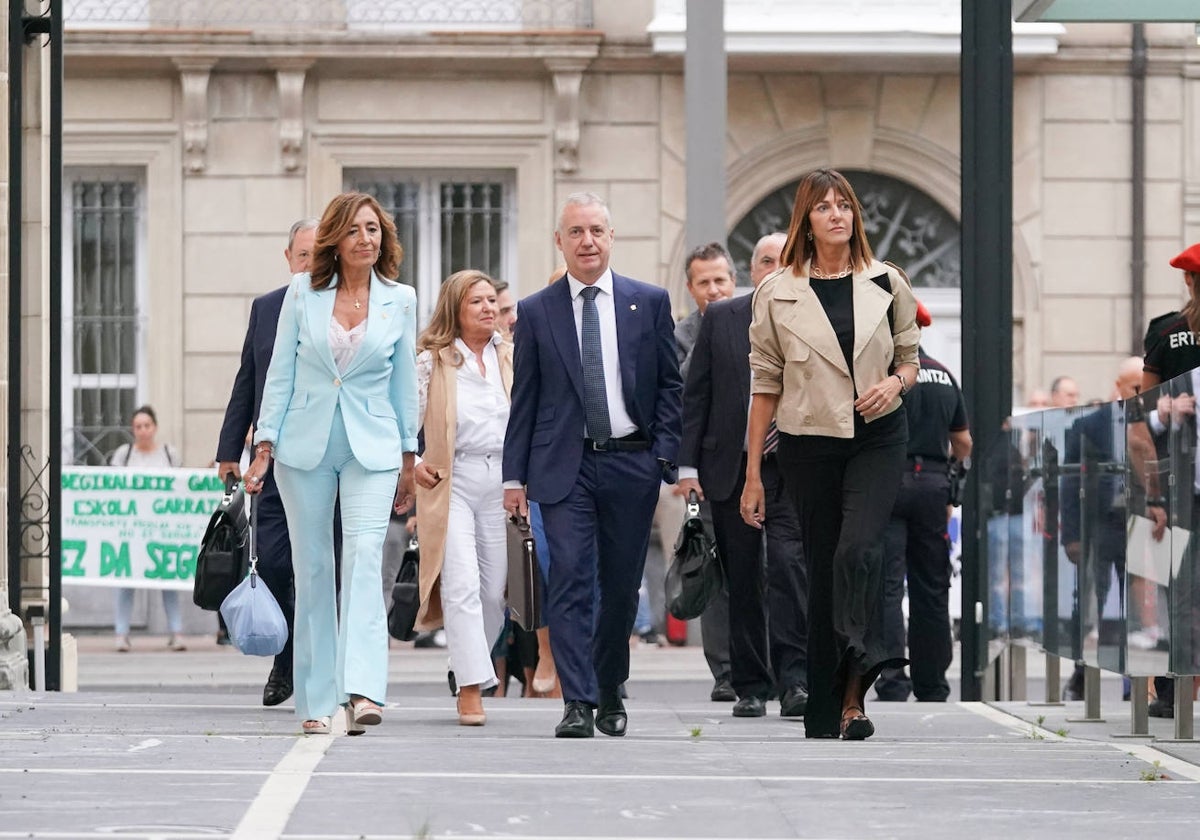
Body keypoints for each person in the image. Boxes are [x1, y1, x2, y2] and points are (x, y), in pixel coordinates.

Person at [741, 168, 919, 740]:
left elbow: (910, 360)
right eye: (824, 207)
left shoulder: (889, 282)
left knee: (859, 553)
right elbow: (764, 384)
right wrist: (751, 476)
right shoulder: (776, 292)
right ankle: (828, 701)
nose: (837, 213)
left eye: (845, 204)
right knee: (821, 570)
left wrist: (894, 385)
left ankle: (854, 697)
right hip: (807, 442)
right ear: (806, 221)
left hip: (877, 436)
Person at [502, 192, 682, 738]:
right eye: (576, 232)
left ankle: (610, 688)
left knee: (621, 586)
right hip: (564, 467)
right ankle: (576, 702)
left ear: (610, 237)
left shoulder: (647, 301)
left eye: (597, 231)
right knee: (572, 578)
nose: (587, 241)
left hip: (632, 464)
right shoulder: (536, 310)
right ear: (560, 241)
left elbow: (669, 385)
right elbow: (525, 400)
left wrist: (664, 456)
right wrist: (514, 478)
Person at [243, 192, 419, 736]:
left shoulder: (402, 299)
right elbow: (279, 374)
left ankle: (363, 689)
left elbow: (403, 384)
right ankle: (317, 701)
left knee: (364, 557)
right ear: (335, 243)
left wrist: (410, 457)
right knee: (314, 569)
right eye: (354, 230)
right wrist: (264, 446)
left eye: (373, 229)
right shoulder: (303, 293)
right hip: (303, 446)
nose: (365, 238)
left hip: (374, 447)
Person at [678, 233, 809, 719]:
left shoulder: (808, 315)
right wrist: (687, 466)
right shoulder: (723, 318)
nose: (776, 268)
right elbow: (698, 396)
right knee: (743, 577)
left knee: (790, 573)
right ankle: (751, 685)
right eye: (767, 261)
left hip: (790, 468)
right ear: (752, 272)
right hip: (730, 469)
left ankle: (795, 680)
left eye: (786, 261)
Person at [214, 218, 317, 707]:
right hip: (269, 463)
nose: (311, 265)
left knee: (320, 566)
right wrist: (227, 451)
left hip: (325, 461)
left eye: (320, 256)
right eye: (304, 256)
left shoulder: (342, 308)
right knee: (273, 562)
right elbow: (247, 380)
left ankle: (317, 666)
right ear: (288, 258)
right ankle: (287, 656)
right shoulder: (267, 307)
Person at [412, 270, 511, 726]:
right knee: (462, 584)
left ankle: (463, 664)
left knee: (494, 592)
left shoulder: (511, 357)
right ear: (455, 308)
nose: (489, 308)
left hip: (502, 480)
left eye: (492, 300)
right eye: (477, 302)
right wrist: (410, 465)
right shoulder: (432, 360)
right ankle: (471, 689)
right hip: (451, 479)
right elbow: (403, 420)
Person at [874, 301, 972, 703]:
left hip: (888, 481)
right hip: (933, 485)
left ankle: (893, 679)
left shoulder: (883, 375)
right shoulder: (945, 376)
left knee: (887, 586)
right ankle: (933, 682)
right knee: (932, 587)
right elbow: (963, 443)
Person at [666, 242, 738, 700]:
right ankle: (726, 673)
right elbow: (681, 396)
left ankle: (770, 665)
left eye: (721, 280)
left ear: (734, 280)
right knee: (716, 574)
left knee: (773, 571)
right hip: (709, 473)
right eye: (704, 283)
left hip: (762, 468)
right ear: (691, 289)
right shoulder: (682, 335)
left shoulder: (761, 323)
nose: (714, 290)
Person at [1141, 241, 1200, 718]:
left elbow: (1142, 413)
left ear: (1186, 280)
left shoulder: (1165, 332)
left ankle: (1173, 689)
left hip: (1178, 478)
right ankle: (1174, 686)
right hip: (1180, 482)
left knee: (1177, 587)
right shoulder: (1168, 332)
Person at [110, 405, 185, 652]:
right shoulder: (124, 454)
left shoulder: (168, 453)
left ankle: (176, 632)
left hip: (162, 528)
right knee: (126, 581)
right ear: (133, 430)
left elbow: (180, 487)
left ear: (155, 427)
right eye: (138, 426)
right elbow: (113, 486)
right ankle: (121, 634)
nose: (142, 431)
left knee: (169, 579)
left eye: (147, 426)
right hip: (131, 528)